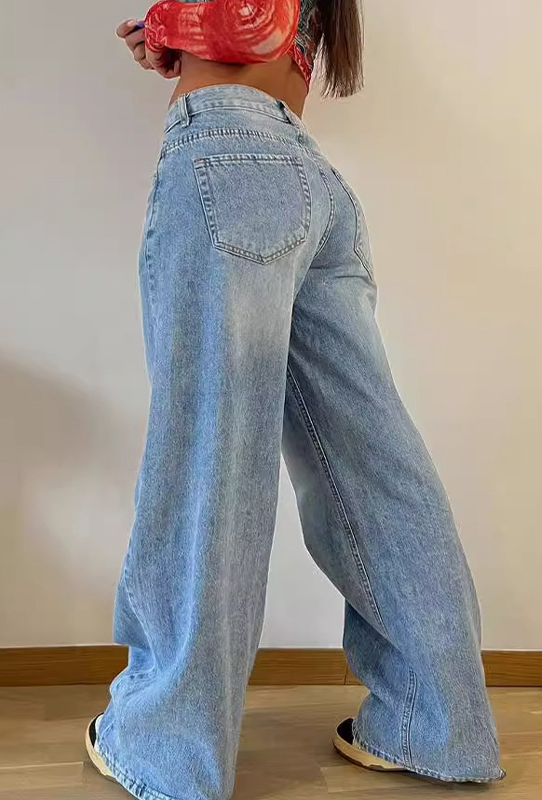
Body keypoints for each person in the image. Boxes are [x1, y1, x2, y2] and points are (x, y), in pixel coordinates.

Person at [85, 2, 505, 798]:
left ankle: (168, 748)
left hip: (224, 159)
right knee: (374, 467)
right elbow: (257, 32)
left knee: (211, 456)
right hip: (309, 177)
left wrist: (172, 29)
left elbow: (241, 29)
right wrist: (176, 36)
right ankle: (437, 723)